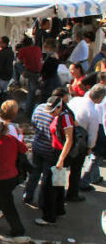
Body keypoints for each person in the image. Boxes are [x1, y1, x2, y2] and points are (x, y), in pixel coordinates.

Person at [35, 96, 72, 226]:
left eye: (52, 111)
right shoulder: (60, 115)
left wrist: (61, 159)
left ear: (59, 107)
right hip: (55, 151)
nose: (50, 114)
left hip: (58, 154)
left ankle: (49, 217)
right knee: (58, 183)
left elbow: (69, 139)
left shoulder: (65, 117)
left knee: (48, 186)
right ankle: (59, 209)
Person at [67, 84, 105, 199]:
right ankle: (72, 193)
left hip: (65, 135)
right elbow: (93, 135)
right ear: (100, 98)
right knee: (76, 169)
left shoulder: (75, 100)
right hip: (78, 141)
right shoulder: (92, 112)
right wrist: (89, 148)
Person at [23, 96, 56, 208]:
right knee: (46, 177)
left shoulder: (39, 108)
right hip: (49, 149)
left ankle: (27, 195)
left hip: (37, 146)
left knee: (34, 173)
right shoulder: (56, 115)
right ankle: (42, 202)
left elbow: (33, 123)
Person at [17, 36, 43, 114]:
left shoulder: (23, 50)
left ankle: (28, 112)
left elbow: (19, 60)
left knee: (31, 93)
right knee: (34, 92)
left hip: (30, 72)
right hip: (39, 72)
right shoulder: (38, 48)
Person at [39, 38, 61, 102]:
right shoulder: (54, 55)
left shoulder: (52, 57)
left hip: (49, 82)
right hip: (52, 80)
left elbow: (48, 70)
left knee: (45, 99)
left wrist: (42, 77)